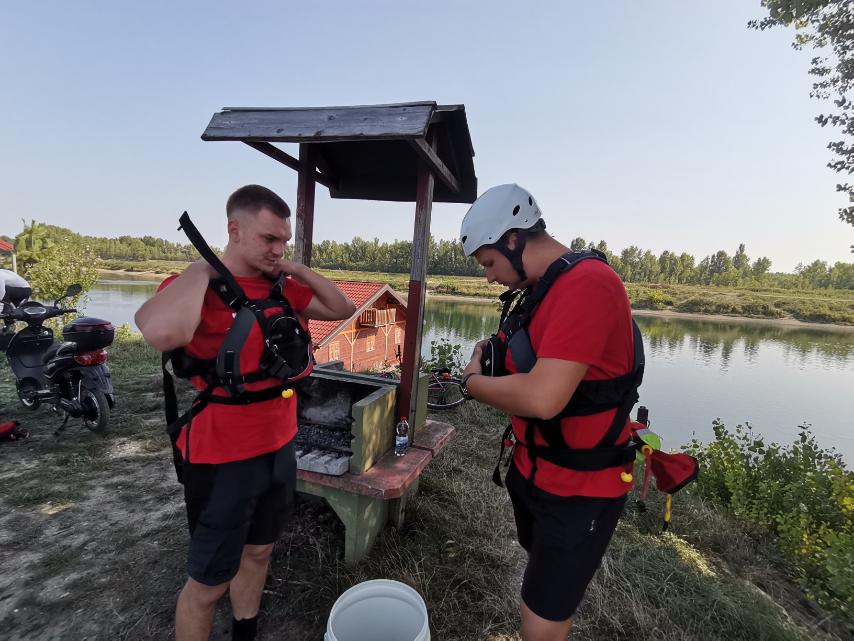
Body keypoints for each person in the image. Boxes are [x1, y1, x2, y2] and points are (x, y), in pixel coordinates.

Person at [135, 185, 355, 641]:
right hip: (221, 456)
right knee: (208, 582)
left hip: (279, 446)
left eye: (284, 241)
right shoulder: (196, 285)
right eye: (268, 239)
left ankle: (245, 633)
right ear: (233, 230)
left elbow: (342, 308)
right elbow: (162, 333)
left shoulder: (283, 288)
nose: (278, 250)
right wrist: (201, 268)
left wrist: (296, 269)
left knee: (258, 553)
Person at [457, 184, 642, 641]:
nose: (489, 278)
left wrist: (473, 383)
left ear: (513, 239)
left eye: (489, 263)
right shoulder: (543, 288)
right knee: (543, 590)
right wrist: (489, 352)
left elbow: (544, 398)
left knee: (540, 620)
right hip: (538, 470)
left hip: (580, 488)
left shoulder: (588, 284)